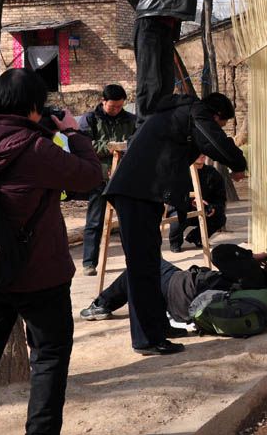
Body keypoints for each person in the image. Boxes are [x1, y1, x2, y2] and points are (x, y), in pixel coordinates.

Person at [0, 70, 102, 435]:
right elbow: (91, 177)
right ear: (33, 106)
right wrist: (73, 132)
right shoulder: (37, 148)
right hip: (41, 273)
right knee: (49, 358)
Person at [103, 92, 247, 356]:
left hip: (143, 193)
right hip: (135, 193)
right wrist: (238, 163)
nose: (217, 128)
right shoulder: (194, 111)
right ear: (215, 115)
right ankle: (146, 339)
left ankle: (158, 327)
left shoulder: (180, 113)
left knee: (149, 264)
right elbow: (214, 140)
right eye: (220, 123)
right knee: (142, 269)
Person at [80, 244, 267, 331]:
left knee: (141, 265)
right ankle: (105, 304)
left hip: (180, 291)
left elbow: (219, 253)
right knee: (153, 270)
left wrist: (254, 258)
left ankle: (101, 305)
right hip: (193, 306)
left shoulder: (257, 277)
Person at [133, 0, 226, 123]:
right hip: (150, 23)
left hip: (166, 27)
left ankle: (160, 121)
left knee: (166, 80)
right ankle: (143, 126)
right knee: (150, 79)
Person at [78, 84, 136, 276]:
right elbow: (85, 145)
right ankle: (89, 262)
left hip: (123, 179)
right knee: (95, 221)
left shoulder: (131, 120)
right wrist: (109, 148)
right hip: (99, 177)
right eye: (112, 107)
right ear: (103, 101)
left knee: (128, 221)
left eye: (120, 107)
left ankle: (134, 259)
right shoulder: (90, 119)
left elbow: (136, 144)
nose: (116, 110)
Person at [167, 154, 228, 252]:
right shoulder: (180, 171)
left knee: (220, 218)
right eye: (197, 152)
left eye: (203, 152)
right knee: (177, 219)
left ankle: (196, 237)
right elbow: (170, 194)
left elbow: (220, 198)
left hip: (204, 209)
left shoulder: (213, 173)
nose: (202, 154)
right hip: (182, 208)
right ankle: (175, 241)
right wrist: (191, 200)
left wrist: (212, 207)